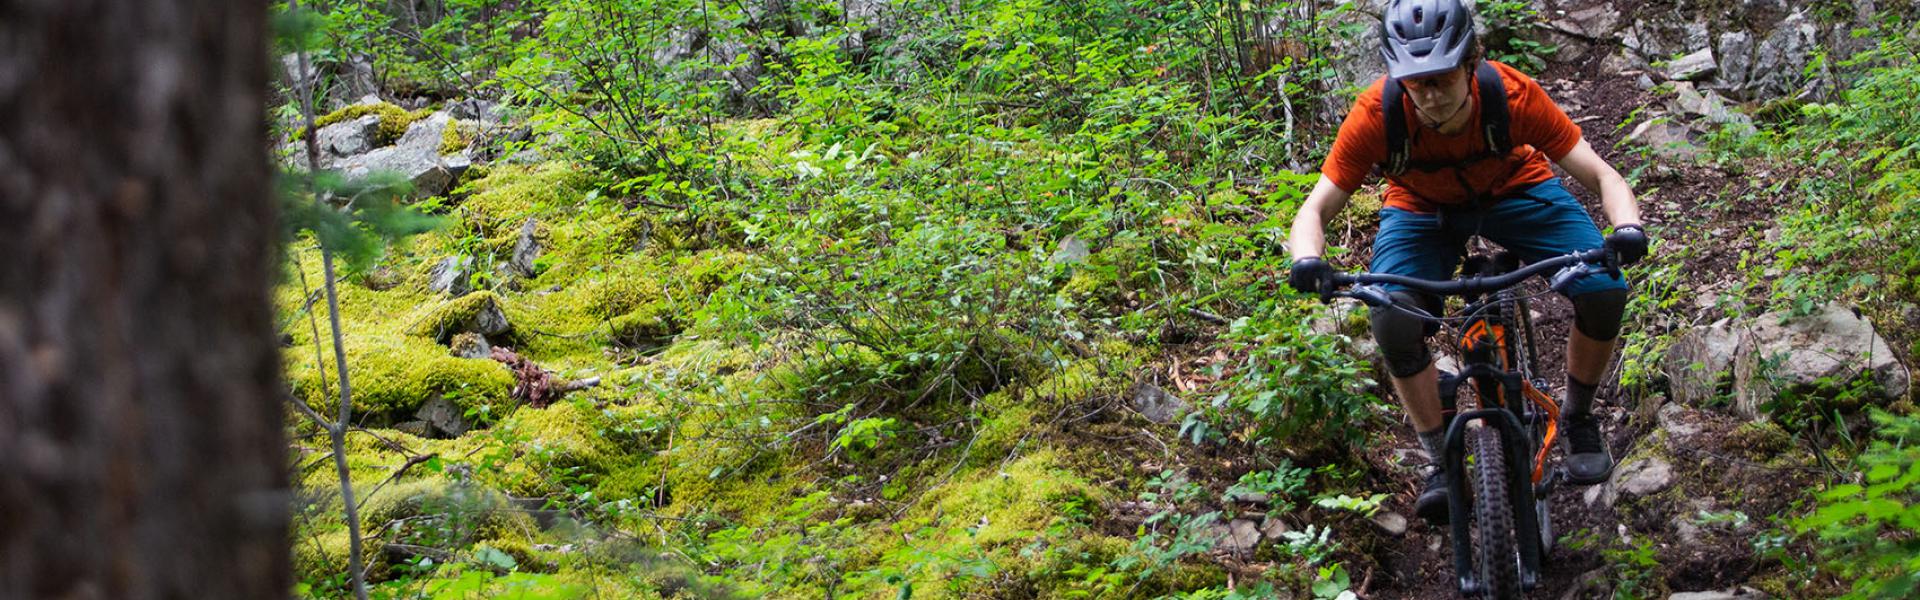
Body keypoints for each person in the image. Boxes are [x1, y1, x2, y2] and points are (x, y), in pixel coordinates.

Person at [1285, 0, 1650, 524]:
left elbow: (1601, 175)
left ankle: (1577, 416)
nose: (1430, 95)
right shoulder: (1376, 114)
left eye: (1442, 77)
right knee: (1392, 317)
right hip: (1421, 208)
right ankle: (1440, 459)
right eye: (1416, 82)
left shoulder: (1512, 95)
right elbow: (1316, 207)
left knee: (1603, 289)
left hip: (1518, 190)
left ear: (1471, 61)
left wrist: (1627, 228)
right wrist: (1307, 258)